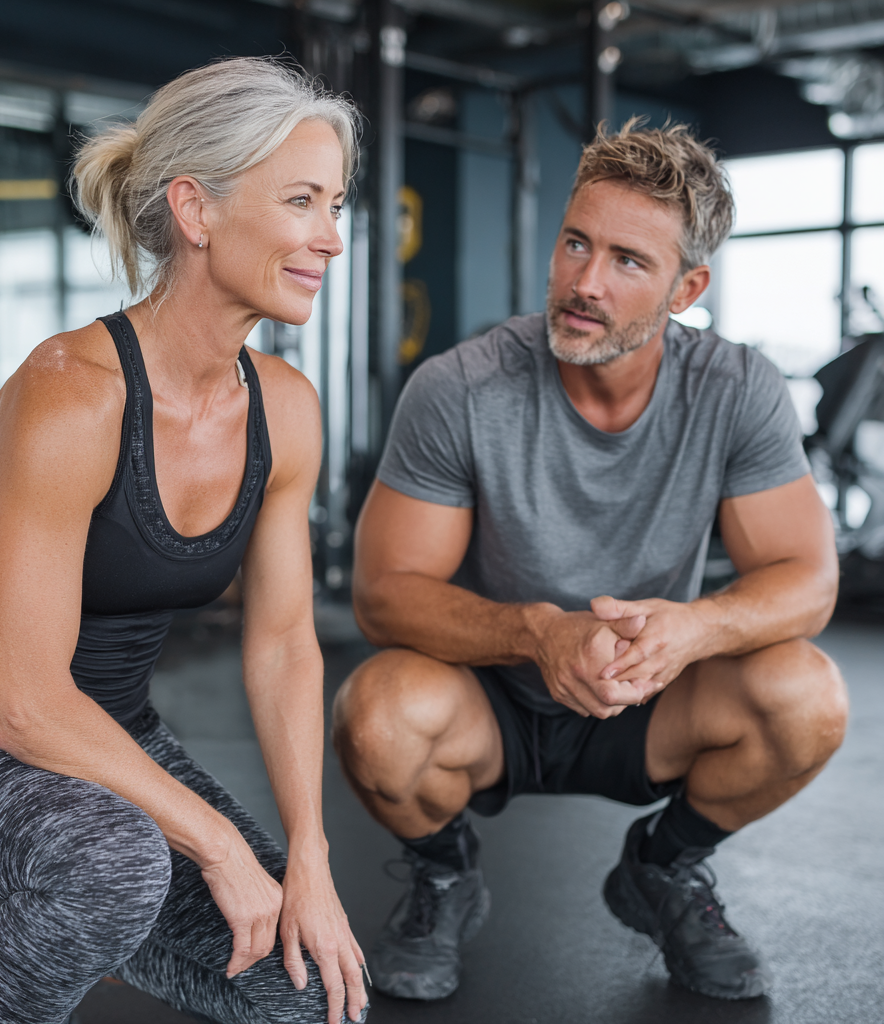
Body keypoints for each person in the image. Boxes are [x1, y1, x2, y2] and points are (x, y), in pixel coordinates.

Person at [0, 58, 368, 1024]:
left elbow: (282, 643)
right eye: (301, 201)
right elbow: (20, 705)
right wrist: (218, 844)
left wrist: (309, 857)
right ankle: (18, 909)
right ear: (196, 209)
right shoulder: (71, 395)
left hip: (107, 747)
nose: (331, 238)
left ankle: (20, 911)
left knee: (308, 994)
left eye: (335, 205)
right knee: (114, 862)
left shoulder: (287, 409)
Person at [332, 120, 848, 1003]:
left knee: (808, 699)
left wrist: (695, 629)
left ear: (687, 288)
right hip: (493, 695)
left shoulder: (736, 389)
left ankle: (662, 867)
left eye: (627, 261)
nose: (584, 282)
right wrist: (538, 632)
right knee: (374, 716)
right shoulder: (460, 388)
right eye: (576, 243)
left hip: (654, 694)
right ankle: (445, 871)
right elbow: (383, 595)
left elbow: (810, 578)